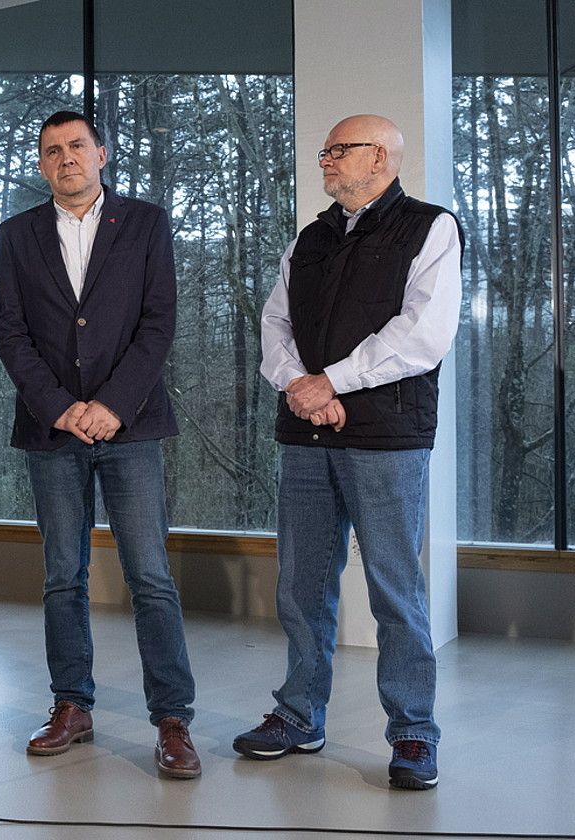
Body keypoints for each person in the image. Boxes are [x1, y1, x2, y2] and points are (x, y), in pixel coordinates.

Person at [234, 114, 461, 791]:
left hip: (385, 437)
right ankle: (298, 713)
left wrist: (332, 381)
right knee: (302, 584)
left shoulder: (430, 227)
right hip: (306, 434)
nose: (326, 160)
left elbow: (423, 332)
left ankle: (414, 730)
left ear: (382, 158)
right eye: (325, 150)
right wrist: (302, 388)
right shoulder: (312, 238)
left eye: (341, 150)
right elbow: (275, 322)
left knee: (394, 586)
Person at [0, 110, 200, 779]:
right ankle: (71, 705)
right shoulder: (17, 235)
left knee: (150, 577)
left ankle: (172, 719)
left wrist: (111, 405)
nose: (66, 158)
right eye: (51, 150)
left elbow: (159, 320)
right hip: (53, 432)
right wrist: (62, 408)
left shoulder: (144, 224)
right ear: (41, 163)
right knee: (62, 576)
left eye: (76, 146)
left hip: (130, 426)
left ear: (102, 154)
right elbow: (11, 334)